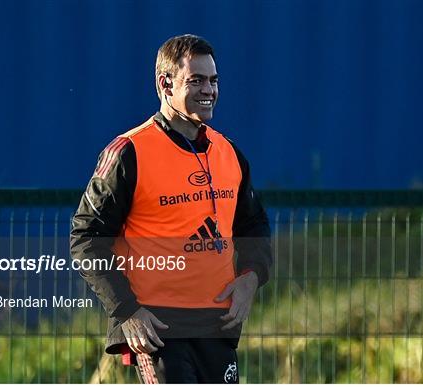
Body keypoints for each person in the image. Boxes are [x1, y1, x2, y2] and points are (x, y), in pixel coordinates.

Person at [70, 34, 272, 384]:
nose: (209, 90)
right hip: (158, 332)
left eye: (214, 80)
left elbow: (254, 225)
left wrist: (251, 278)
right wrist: (126, 311)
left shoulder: (229, 152)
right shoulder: (128, 152)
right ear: (165, 84)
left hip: (217, 328)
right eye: (196, 80)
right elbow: (86, 238)